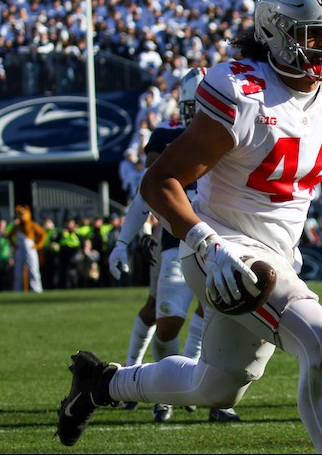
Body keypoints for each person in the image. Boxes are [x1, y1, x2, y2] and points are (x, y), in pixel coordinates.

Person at [56, 0, 322, 453]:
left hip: (277, 253)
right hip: (222, 249)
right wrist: (206, 245)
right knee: (321, 339)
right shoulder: (241, 90)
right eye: (311, 33)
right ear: (274, 31)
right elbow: (160, 182)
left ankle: (100, 385)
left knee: (214, 386)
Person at [107, 67, 240, 423]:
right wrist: (123, 240)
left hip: (225, 241)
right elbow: (146, 194)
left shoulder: (234, 135)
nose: (193, 114)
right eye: (189, 107)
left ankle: (212, 397)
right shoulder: (165, 137)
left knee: (221, 319)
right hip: (175, 243)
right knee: (167, 322)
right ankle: (162, 388)